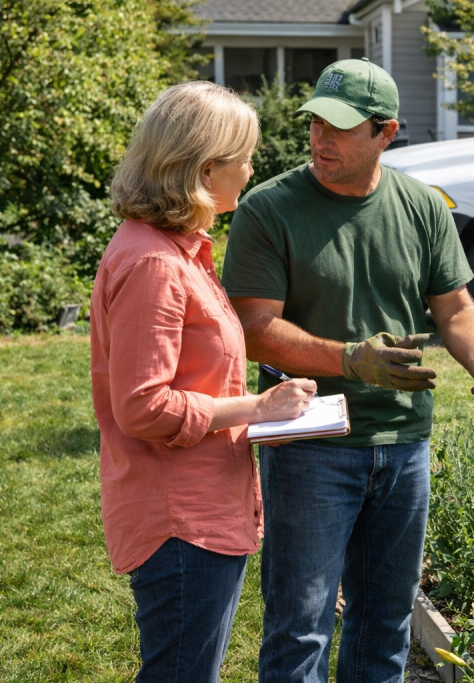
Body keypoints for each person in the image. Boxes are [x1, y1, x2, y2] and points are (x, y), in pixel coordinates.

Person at [220, 58, 474, 683]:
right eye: (314, 122)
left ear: (385, 133)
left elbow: (458, 306)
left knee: (385, 622)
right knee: (301, 625)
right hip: (310, 441)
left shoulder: (421, 207)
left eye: (339, 127)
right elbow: (252, 329)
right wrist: (350, 361)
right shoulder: (268, 209)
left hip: (404, 444)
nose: (319, 139)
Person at [91, 81, 318, 682]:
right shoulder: (156, 263)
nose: (251, 169)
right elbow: (143, 407)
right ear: (205, 166)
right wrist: (258, 408)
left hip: (201, 507)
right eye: (244, 156)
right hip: (180, 520)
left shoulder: (177, 249)